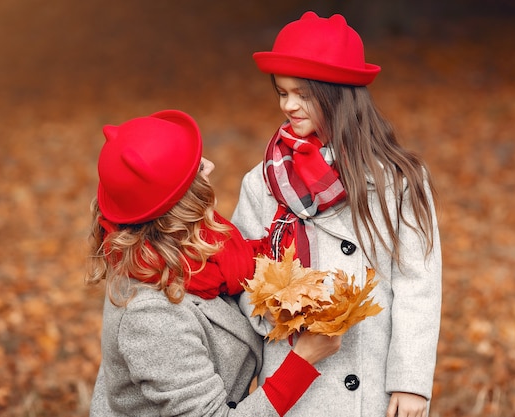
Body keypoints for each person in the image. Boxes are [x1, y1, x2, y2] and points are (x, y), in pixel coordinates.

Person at [231, 11, 442, 417]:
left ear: (338, 93)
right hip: (293, 377)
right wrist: (282, 310)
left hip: (372, 382)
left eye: (302, 94)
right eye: (281, 92)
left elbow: (418, 284)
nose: (288, 105)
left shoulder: (399, 179)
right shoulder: (262, 182)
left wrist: (411, 382)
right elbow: (243, 275)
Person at [86, 109, 342, 416]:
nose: (211, 166)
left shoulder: (194, 257)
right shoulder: (151, 316)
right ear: (184, 203)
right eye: (197, 169)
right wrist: (302, 362)